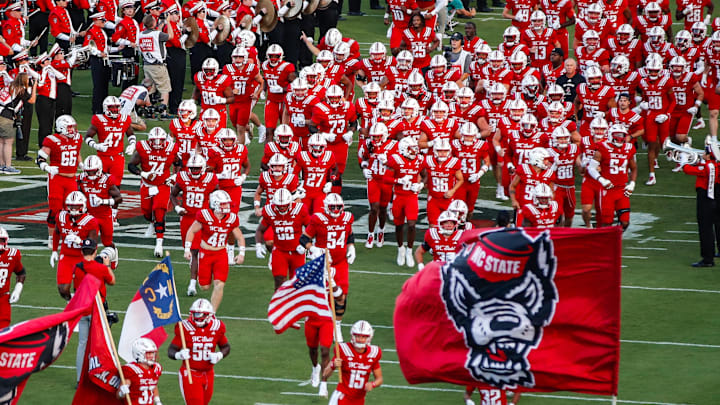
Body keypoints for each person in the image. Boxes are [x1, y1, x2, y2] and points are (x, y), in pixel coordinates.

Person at [299, 193, 356, 342]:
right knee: (319, 295)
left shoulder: (347, 218)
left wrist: (351, 248)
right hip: (323, 262)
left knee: (341, 295)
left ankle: (337, 324)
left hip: (340, 262)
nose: (336, 210)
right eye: (333, 207)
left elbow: (349, 234)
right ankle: (314, 323)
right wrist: (312, 249)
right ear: (326, 207)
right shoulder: (318, 219)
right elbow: (304, 238)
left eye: (339, 207)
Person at [184, 190, 245, 310]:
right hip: (205, 253)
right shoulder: (204, 215)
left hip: (221, 253)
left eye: (226, 203)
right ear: (215, 204)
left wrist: (241, 253)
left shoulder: (231, 218)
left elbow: (239, 236)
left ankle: (212, 313)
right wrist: (187, 249)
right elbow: (192, 230)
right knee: (204, 287)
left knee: (219, 284)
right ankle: (198, 272)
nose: (226, 206)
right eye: (223, 204)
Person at [127, 127, 180, 257]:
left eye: (160, 141)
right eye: (154, 141)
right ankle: (151, 223)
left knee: (159, 210)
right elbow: (131, 165)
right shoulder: (143, 148)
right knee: (146, 211)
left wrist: (174, 176)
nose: (157, 144)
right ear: (149, 140)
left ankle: (159, 243)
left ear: (164, 140)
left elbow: (179, 163)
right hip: (147, 185)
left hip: (163, 184)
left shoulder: (171, 148)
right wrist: (143, 173)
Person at [168, 298, 230, 405]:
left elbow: (226, 346)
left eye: (201, 315)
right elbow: (171, 350)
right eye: (195, 314)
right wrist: (179, 355)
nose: (198, 317)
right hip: (190, 373)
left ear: (209, 315)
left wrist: (219, 355)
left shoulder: (216, 327)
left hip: (208, 373)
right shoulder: (185, 327)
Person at [72, 238, 116, 383]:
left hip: (82, 309)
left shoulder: (77, 267)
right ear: (95, 250)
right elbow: (112, 281)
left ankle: (80, 379)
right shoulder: (101, 268)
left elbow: (75, 288)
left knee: (82, 344)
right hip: (97, 310)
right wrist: (107, 265)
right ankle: (99, 377)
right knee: (100, 344)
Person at [37, 115, 83, 245]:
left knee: (73, 209)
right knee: (55, 210)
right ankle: (52, 238)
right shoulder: (52, 140)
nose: (72, 130)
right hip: (57, 179)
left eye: (73, 127)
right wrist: (47, 167)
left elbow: (77, 152)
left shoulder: (77, 138)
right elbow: (40, 159)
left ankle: (70, 235)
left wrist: (81, 164)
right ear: (61, 127)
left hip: (71, 179)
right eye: (69, 127)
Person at [255, 188, 310, 290]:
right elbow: (260, 230)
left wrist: (306, 244)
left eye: (285, 205)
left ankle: (295, 305)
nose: (282, 208)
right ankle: (280, 305)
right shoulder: (269, 211)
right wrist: (258, 245)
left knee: (297, 284)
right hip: (280, 251)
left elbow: (310, 229)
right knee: (279, 282)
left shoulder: (300, 209)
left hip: (297, 251)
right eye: (279, 206)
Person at [677, 139, 720, 267]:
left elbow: (687, 169)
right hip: (716, 196)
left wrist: (684, 158)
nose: (704, 153)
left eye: (706, 152)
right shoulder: (714, 165)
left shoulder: (708, 166)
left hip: (706, 197)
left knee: (705, 229)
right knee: (716, 224)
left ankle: (708, 259)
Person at [587, 124, 637, 230]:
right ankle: (603, 244)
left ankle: (614, 240)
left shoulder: (629, 148)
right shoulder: (602, 148)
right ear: (610, 135)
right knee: (606, 223)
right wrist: (601, 179)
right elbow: (591, 168)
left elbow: (634, 168)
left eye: (622, 135)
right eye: (617, 135)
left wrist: (632, 183)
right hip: (607, 190)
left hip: (622, 190)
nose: (620, 138)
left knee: (625, 222)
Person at [52, 192, 100, 300]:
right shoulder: (61, 216)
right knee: (63, 289)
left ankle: (80, 307)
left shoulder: (90, 221)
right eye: (71, 206)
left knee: (81, 289)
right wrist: (54, 250)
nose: (73, 209)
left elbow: (93, 246)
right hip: (66, 256)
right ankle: (71, 303)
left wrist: (80, 242)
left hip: (82, 257)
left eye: (76, 206)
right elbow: (56, 232)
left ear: (83, 205)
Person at [323, 320, 383, 404]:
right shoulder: (344, 350)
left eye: (364, 337)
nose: (360, 339)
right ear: (352, 336)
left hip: (359, 400)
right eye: (357, 336)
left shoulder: (373, 353)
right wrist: (333, 365)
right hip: (342, 396)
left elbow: (379, 379)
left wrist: (373, 384)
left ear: (369, 338)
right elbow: (325, 374)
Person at [387, 137, 424, 267]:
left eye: (415, 148)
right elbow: (386, 178)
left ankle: (409, 250)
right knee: (398, 225)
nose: (414, 151)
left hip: (411, 196)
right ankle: (400, 249)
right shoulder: (395, 159)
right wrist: (399, 181)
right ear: (403, 149)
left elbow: (425, 175)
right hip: (399, 196)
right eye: (411, 148)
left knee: (412, 224)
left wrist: (420, 185)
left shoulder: (419, 159)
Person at [85, 96, 136, 184]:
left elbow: (130, 134)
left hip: (118, 158)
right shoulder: (99, 119)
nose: (115, 109)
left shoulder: (125, 119)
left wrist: (132, 144)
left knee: (115, 185)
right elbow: (88, 137)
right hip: (102, 157)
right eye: (111, 107)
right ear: (105, 107)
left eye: (117, 107)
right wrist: (96, 145)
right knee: (100, 185)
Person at [77, 155, 123, 252]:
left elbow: (119, 198)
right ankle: (91, 262)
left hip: (105, 215)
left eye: (93, 171)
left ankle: (114, 257)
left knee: (107, 242)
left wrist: (103, 202)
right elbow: (77, 194)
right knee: (91, 242)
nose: (90, 174)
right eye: (88, 171)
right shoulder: (81, 179)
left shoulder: (107, 180)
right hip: (89, 215)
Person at [138, 14, 173, 119]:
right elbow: (171, 36)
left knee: (149, 89)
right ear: (153, 23)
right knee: (164, 88)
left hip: (147, 64)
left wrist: (160, 28)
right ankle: (163, 113)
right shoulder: (157, 34)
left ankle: (148, 111)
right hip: (158, 65)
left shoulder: (140, 34)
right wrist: (169, 22)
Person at [1, 73, 36, 172]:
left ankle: (1, 164)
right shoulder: (20, 89)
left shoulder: (9, 85)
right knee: (8, 142)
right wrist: (34, 87)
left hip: (1, 112)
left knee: (1, 142)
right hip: (6, 115)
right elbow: (32, 100)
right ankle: (7, 166)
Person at [118, 338, 163, 405]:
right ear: (139, 354)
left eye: (152, 353)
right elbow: (118, 396)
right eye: (148, 353)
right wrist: (121, 392)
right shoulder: (131, 370)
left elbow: (153, 386)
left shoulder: (156, 368)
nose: (152, 356)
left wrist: (157, 401)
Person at [0, 226, 26, 329]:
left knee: (3, 333)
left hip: (3, 298)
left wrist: (18, 289)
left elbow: (21, 272)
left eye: (1, 240)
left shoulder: (13, 255)